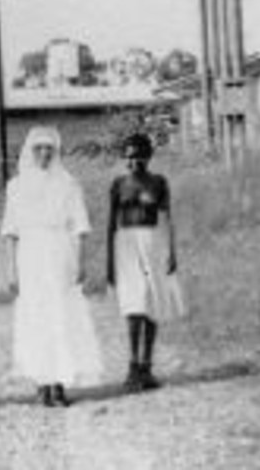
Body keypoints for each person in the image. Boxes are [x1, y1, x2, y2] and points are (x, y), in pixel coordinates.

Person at [1, 126, 103, 407]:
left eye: (49, 148)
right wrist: (11, 269)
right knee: (36, 317)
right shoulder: (16, 186)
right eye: (38, 148)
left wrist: (80, 263)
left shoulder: (69, 184)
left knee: (60, 315)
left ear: (56, 151)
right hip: (30, 255)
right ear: (30, 152)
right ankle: (40, 381)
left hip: (60, 253)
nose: (44, 153)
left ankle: (58, 383)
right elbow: (10, 232)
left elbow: (80, 227)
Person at [107, 132, 186, 392]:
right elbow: (110, 225)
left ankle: (147, 366)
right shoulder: (119, 184)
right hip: (126, 244)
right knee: (134, 303)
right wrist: (109, 262)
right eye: (129, 157)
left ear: (149, 156)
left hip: (153, 242)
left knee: (152, 302)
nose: (133, 162)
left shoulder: (158, 183)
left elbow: (167, 219)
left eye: (139, 156)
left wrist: (171, 252)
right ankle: (132, 366)